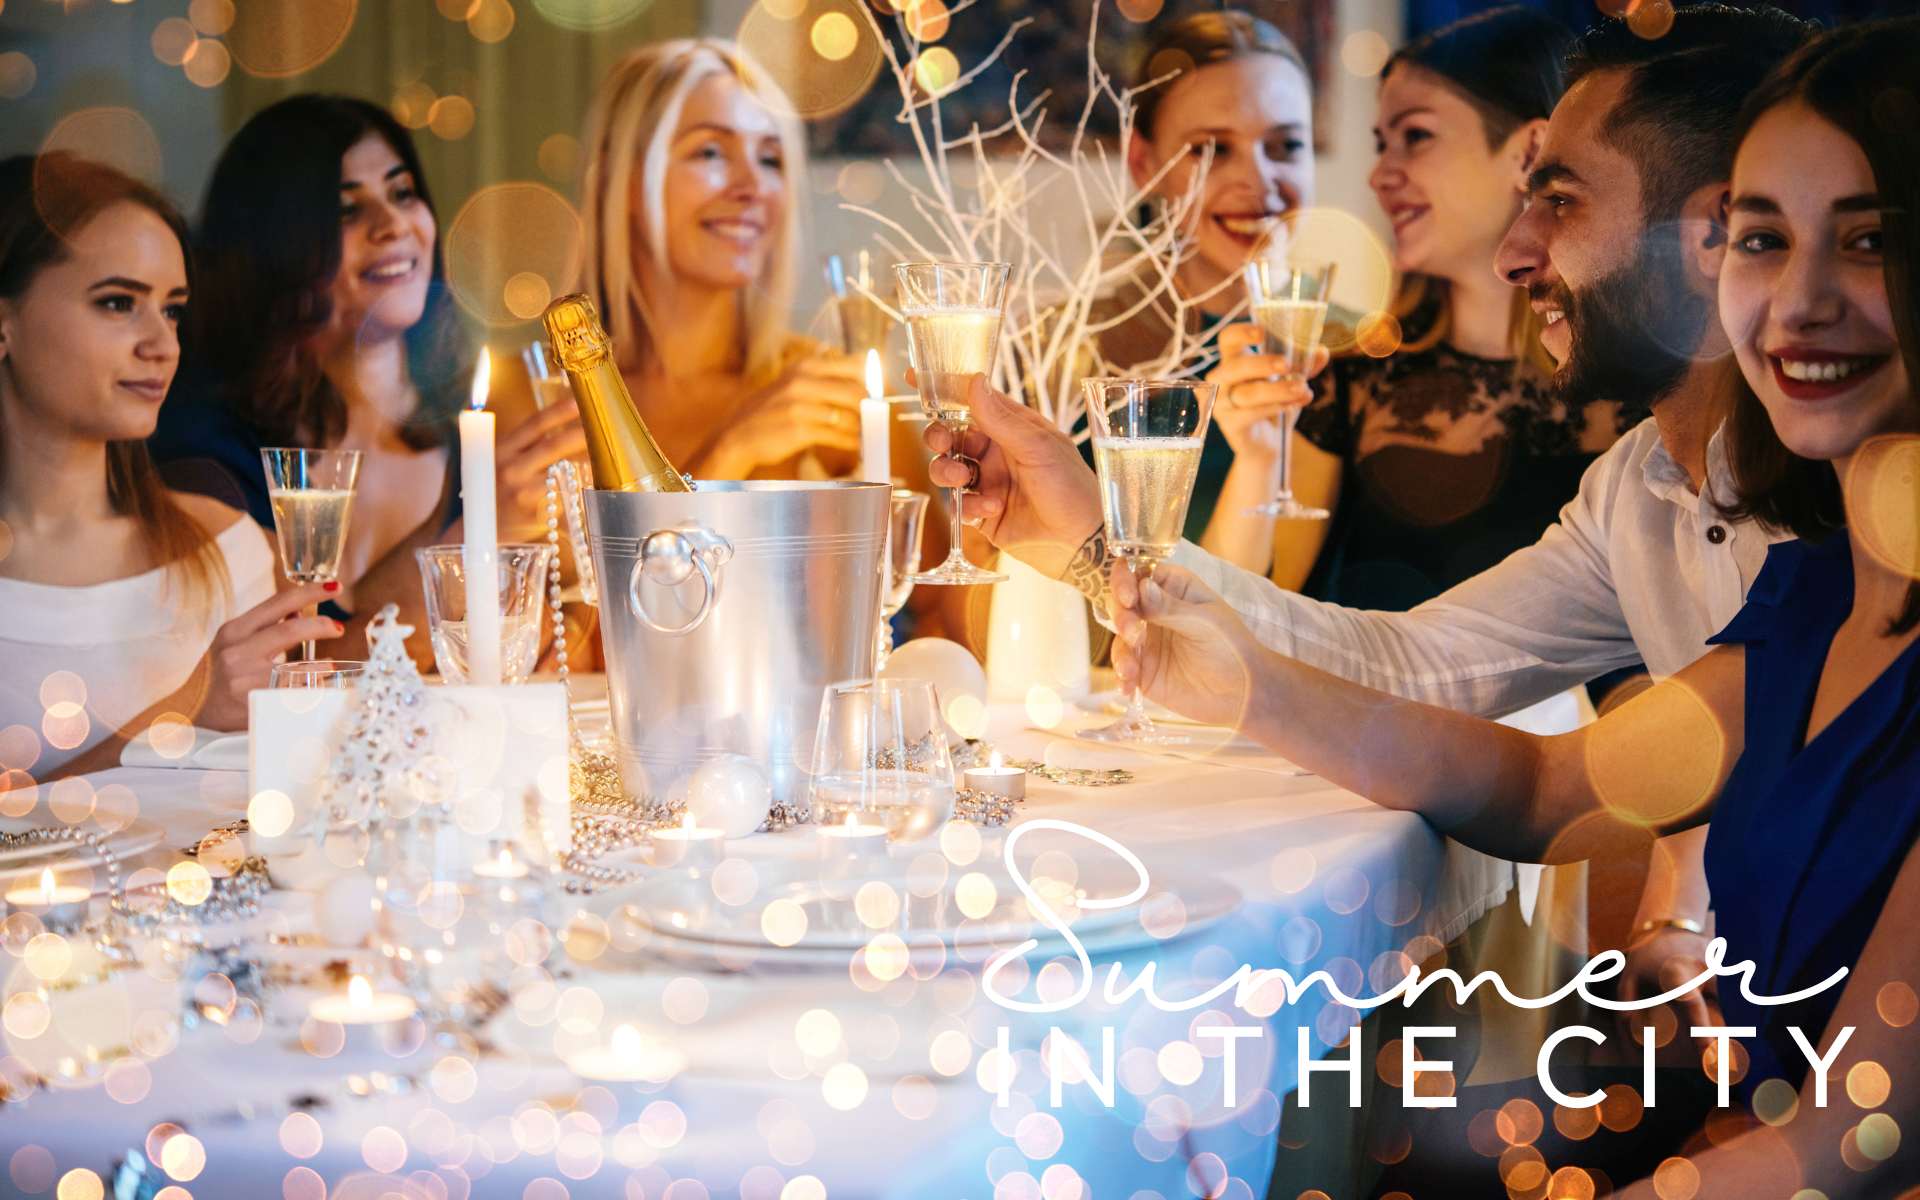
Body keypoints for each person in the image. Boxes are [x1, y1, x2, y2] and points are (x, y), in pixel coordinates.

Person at [1109, 22, 1920, 1193]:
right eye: (1766, 239)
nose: (1797, 301)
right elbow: (1534, 776)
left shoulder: (1819, 551)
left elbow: (1853, 1139)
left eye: (1868, 239)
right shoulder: (1804, 586)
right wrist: (1133, 587)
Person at [927, 3, 1816, 1053]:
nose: (1517, 252)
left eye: (1560, 201)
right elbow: (1417, 664)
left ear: (1714, 233)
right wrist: (1085, 546)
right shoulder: (1634, 488)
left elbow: (1551, 786)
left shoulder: (1850, 510)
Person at [150, 95, 584, 649]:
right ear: (271, 245)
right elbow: (306, 665)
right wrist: (475, 529)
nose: (393, 224)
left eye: (403, 193)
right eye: (346, 211)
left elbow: (563, 620)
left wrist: (562, 621)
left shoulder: (485, 426)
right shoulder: (209, 456)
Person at [1272, 8, 1631, 610]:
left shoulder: (1642, 391)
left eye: (1415, 136)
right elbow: (1267, 610)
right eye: (1382, 144)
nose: (1379, 176)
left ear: (1531, 152)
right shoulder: (1347, 376)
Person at [0, 153, 336, 780]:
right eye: (117, 303)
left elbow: (281, 795)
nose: (162, 344)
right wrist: (184, 714)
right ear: (5, 320)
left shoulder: (226, 547)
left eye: (173, 309)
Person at [1093, 10, 1322, 569]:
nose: (1259, 181)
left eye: (1286, 146)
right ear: (1143, 162)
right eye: (1211, 149)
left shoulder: (1357, 352)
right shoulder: (1073, 352)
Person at [577, 39, 864, 481]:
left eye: (770, 159)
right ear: (620, 181)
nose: (754, 186)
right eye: (710, 152)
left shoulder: (826, 393)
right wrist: (732, 449)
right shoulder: (541, 398)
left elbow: (934, 529)